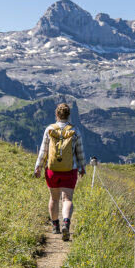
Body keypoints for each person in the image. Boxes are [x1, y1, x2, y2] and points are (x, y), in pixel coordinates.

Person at [33, 103, 86, 241]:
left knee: (54, 198)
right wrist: (82, 167)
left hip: (52, 170)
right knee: (67, 199)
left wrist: (38, 166)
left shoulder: (50, 129)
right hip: (70, 170)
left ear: (56, 115)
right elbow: (79, 152)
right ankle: (66, 223)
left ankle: (55, 226)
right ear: (69, 116)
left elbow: (43, 151)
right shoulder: (75, 130)